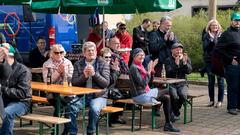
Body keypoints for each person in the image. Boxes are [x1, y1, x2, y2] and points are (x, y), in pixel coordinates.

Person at [129, 48, 180, 132]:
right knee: (168, 90)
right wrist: (148, 71)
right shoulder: (134, 68)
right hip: (140, 96)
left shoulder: (140, 66)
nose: (142, 56)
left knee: (166, 98)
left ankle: (168, 124)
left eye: (143, 55)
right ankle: (176, 112)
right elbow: (143, 84)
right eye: (139, 55)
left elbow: (149, 81)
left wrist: (152, 71)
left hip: (145, 93)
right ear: (134, 57)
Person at [72, 41, 110, 135]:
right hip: (82, 96)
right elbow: (74, 83)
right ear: (84, 53)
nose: (91, 52)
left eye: (93, 50)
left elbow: (106, 83)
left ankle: (90, 132)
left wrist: (94, 74)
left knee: (94, 109)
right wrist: (84, 76)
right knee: (70, 107)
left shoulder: (103, 63)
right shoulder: (78, 64)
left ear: (96, 52)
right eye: (88, 51)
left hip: (99, 96)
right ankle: (72, 132)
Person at [42, 44, 79, 135]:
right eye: (56, 52)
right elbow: (47, 81)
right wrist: (58, 72)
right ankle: (61, 130)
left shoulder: (68, 63)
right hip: (52, 94)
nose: (59, 54)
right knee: (63, 106)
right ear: (52, 54)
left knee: (66, 106)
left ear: (64, 53)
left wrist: (64, 72)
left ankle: (58, 131)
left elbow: (70, 79)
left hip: (67, 93)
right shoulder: (47, 64)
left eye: (61, 52)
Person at [0, 43, 32, 135]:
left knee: (7, 113)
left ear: (8, 56)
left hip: (21, 102)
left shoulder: (23, 70)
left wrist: (2, 89)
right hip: (4, 100)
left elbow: (22, 93)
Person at [215, 12, 240, 115]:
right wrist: (230, 59)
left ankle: (238, 106)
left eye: (239, 20)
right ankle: (231, 107)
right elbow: (218, 49)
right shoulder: (226, 34)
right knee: (233, 86)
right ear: (231, 21)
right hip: (232, 65)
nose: (238, 22)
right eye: (236, 20)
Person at [164, 43, 192, 119]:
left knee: (182, 95)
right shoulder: (168, 60)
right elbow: (169, 72)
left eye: (180, 50)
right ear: (172, 51)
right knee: (173, 95)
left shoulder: (186, 58)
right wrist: (176, 65)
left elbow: (189, 71)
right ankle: (176, 112)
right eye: (177, 50)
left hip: (182, 83)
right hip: (171, 83)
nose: (179, 51)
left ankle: (175, 112)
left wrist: (185, 63)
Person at [203, 19, 224, 107]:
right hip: (209, 61)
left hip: (219, 61)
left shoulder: (222, 35)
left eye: (216, 25)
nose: (215, 27)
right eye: (213, 25)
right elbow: (205, 48)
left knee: (220, 81)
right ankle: (211, 100)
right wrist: (212, 41)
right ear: (209, 27)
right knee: (211, 81)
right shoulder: (206, 36)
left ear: (218, 26)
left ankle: (220, 101)